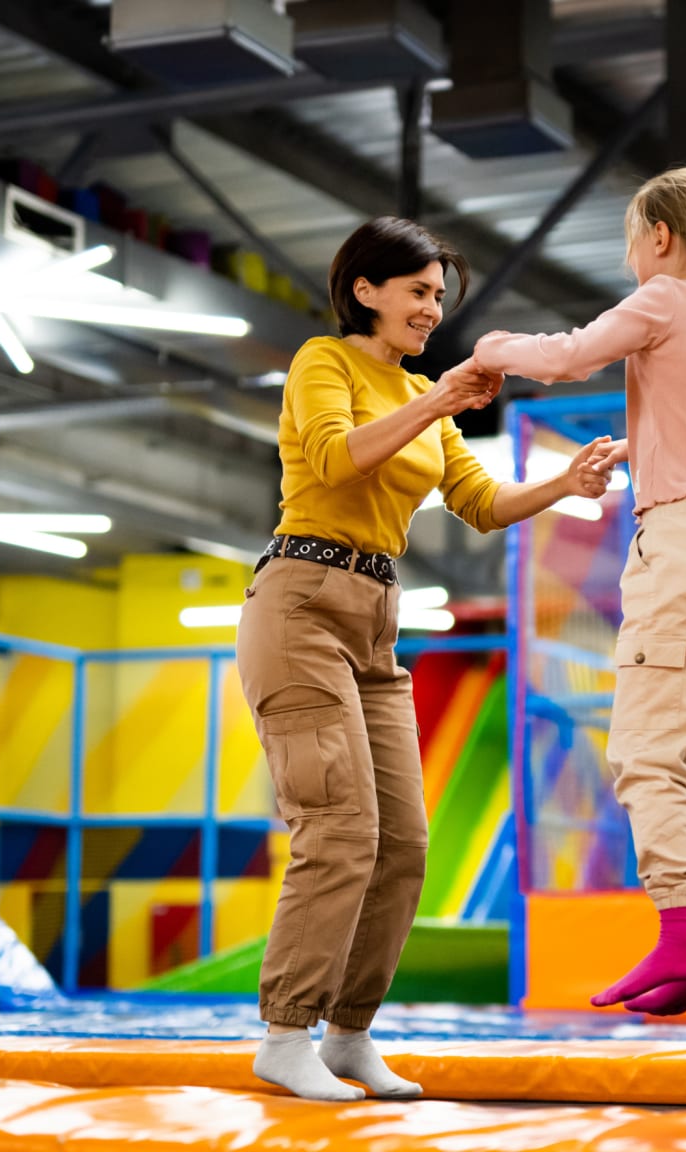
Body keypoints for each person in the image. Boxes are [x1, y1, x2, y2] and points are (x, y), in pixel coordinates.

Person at [241, 217, 617, 1101]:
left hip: (377, 616)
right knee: (338, 829)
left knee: (403, 843)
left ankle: (349, 1033)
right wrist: (437, 399)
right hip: (302, 600)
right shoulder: (323, 363)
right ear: (366, 290)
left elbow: (480, 504)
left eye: (439, 296)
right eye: (418, 292)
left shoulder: (425, 397)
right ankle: (284, 1033)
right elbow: (334, 461)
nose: (431, 308)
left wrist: (565, 485)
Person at [474, 167, 686, 1016]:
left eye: (633, 239)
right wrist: (630, 451)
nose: (634, 256)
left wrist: (492, 349)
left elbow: (564, 358)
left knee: (643, 755)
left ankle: (676, 932)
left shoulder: (666, 297)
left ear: (659, 238)